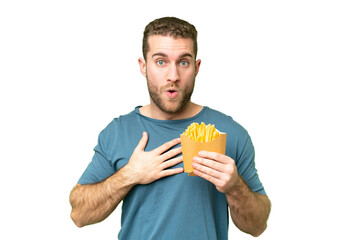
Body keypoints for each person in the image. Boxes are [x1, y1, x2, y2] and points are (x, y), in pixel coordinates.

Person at [70, 17, 271, 239]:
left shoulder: (230, 133)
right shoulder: (117, 132)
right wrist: (130, 174)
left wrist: (235, 187)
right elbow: (79, 215)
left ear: (196, 67)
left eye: (183, 62)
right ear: (143, 66)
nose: (173, 76)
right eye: (161, 62)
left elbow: (258, 226)